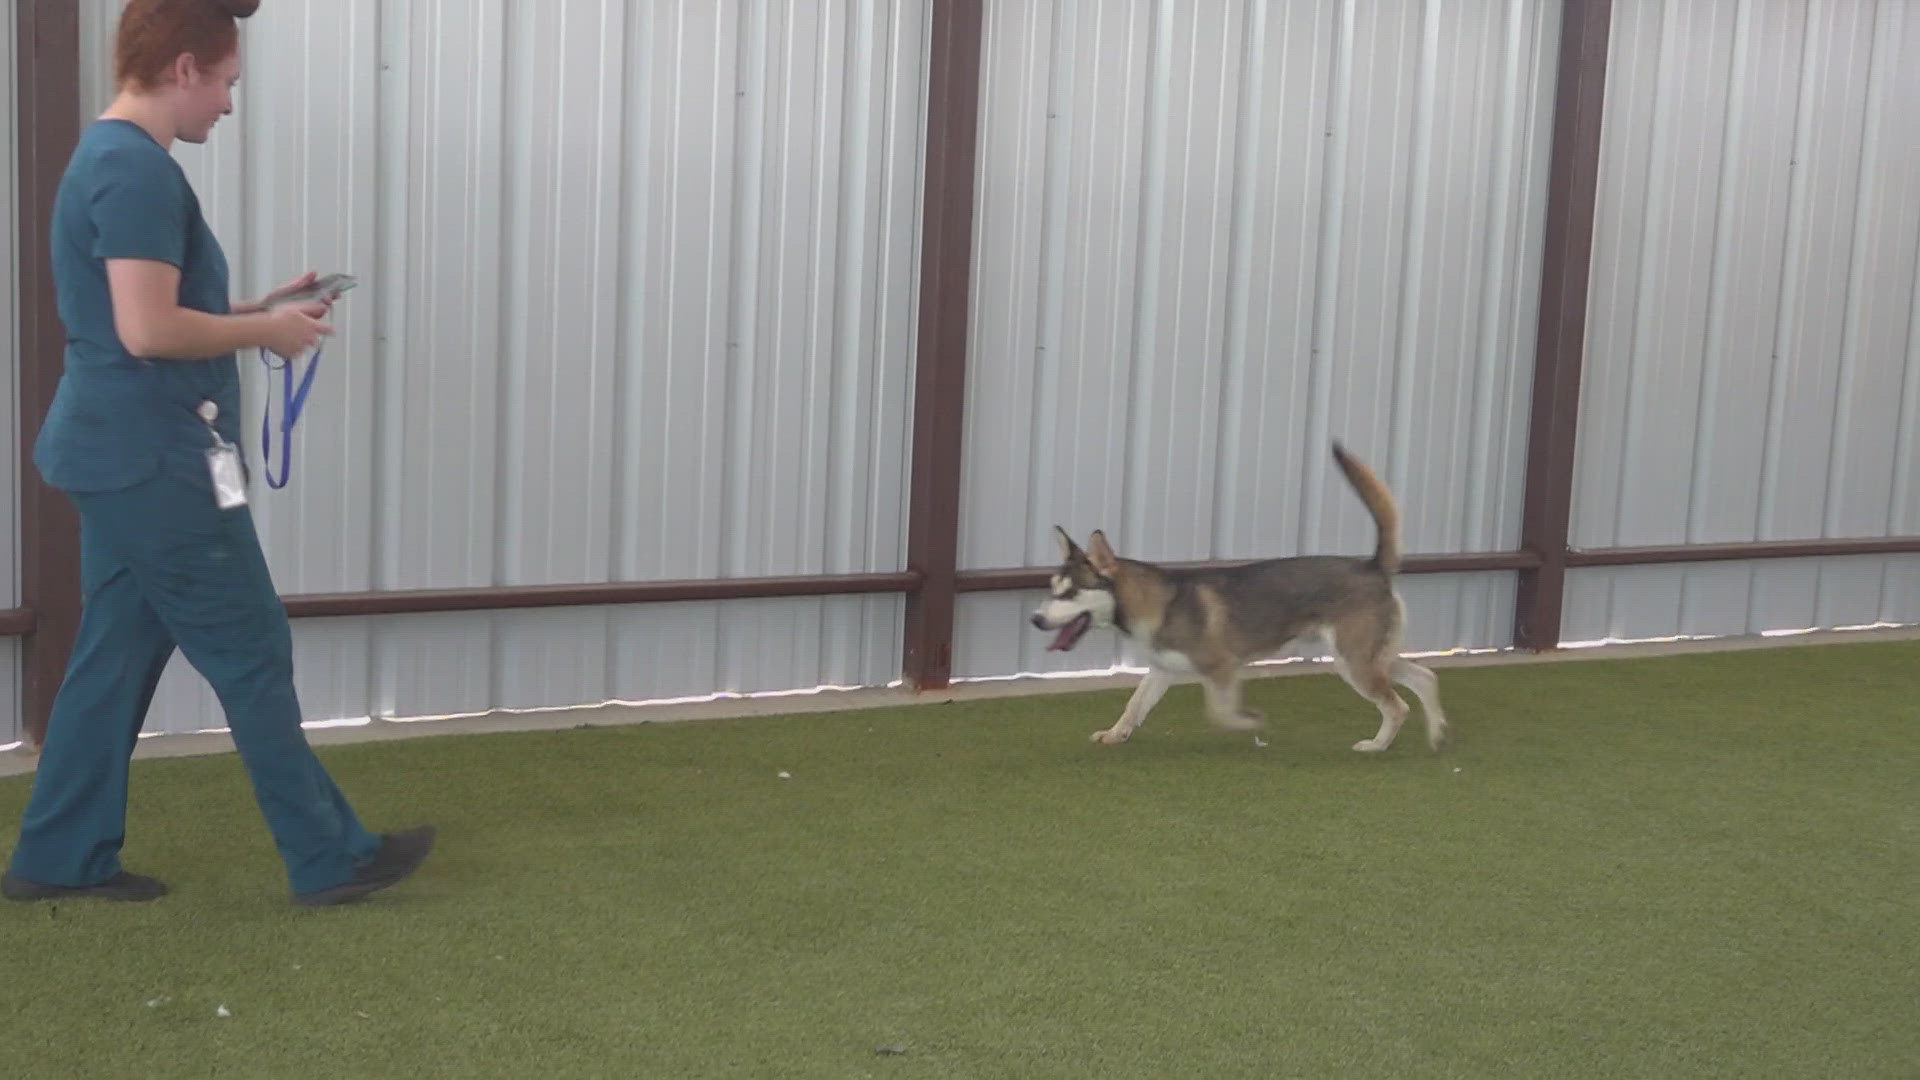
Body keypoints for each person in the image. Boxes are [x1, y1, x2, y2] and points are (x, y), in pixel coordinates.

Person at [2, 0, 433, 907]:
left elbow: (135, 322)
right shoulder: (135, 172)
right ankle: (331, 857)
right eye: (229, 83)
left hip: (119, 452)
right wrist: (265, 335)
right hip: (154, 461)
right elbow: (148, 330)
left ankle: (57, 856)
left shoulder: (111, 159)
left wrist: (254, 312)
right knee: (251, 645)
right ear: (185, 68)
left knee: (115, 653)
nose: (231, 106)